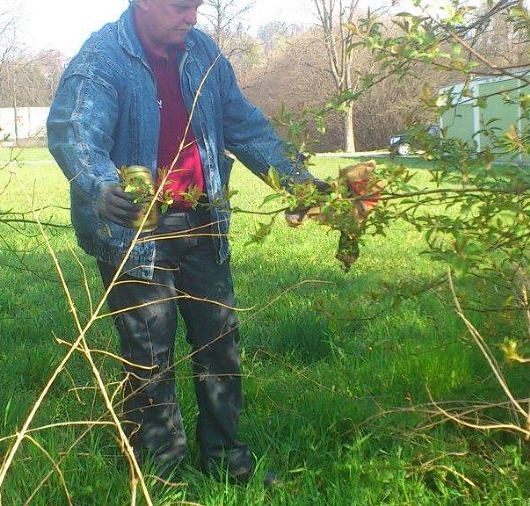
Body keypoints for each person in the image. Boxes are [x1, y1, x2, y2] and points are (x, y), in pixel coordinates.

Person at [47, 0, 324, 485]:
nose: (192, 17)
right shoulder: (101, 59)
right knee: (149, 355)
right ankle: (162, 477)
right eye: (180, 7)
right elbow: (75, 133)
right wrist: (97, 185)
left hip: (203, 222)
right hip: (137, 232)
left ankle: (229, 464)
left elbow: (245, 126)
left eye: (196, 6)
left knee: (220, 343)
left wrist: (295, 180)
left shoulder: (203, 54)